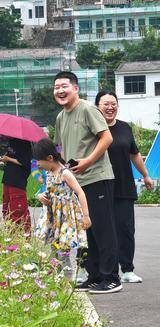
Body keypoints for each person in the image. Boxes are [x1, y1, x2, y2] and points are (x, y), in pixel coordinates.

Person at [53, 71, 121, 294]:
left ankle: (111, 277)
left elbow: (107, 137)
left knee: (103, 229)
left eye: (64, 86)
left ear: (75, 89)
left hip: (97, 177)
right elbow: (61, 150)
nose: (60, 91)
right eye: (56, 88)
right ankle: (94, 276)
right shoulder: (61, 117)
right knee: (87, 230)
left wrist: (88, 161)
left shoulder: (88, 109)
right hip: (77, 182)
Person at [96, 91, 155, 283]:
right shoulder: (94, 129)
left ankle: (127, 269)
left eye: (113, 103)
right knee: (105, 230)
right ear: (97, 106)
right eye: (106, 104)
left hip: (124, 187)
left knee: (126, 229)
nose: (110, 107)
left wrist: (146, 175)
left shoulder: (124, 128)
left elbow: (134, 154)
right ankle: (106, 270)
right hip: (101, 187)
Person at [33, 139, 91, 277]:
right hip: (53, 217)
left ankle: (67, 280)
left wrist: (86, 216)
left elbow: (80, 192)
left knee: (63, 249)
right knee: (54, 247)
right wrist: (41, 196)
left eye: (40, 162)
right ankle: (56, 277)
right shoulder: (49, 173)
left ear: (50, 158)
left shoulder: (65, 173)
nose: (38, 165)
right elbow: (49, 192)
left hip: (66, 217)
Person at [0, 137, 32, 232]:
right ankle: (11, 236)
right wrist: (5, 159)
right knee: (7, 209)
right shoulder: (11, 141)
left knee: (18, 210)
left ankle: (25, 237)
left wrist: (8, 159)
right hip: (7, 179)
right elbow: (12, 158)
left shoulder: (24, 143)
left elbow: (24, 162)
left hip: (17, 181)